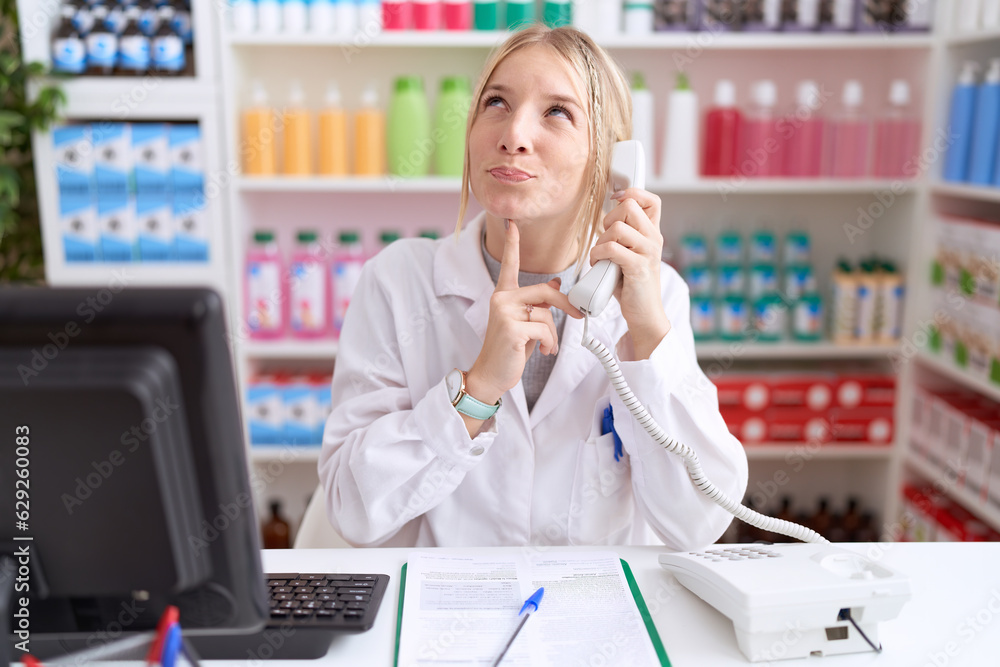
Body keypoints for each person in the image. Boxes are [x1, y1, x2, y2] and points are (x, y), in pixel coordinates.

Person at [318, 24, 748, 549]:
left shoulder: (658, 296)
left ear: (612, 160)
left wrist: (646, 334)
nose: (513, 134)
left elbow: (698, 522)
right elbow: (350, 507)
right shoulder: (398, 282)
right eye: (496, 103)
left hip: (598, 619)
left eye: (557, 112)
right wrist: (474, 393)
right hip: (450, 615)